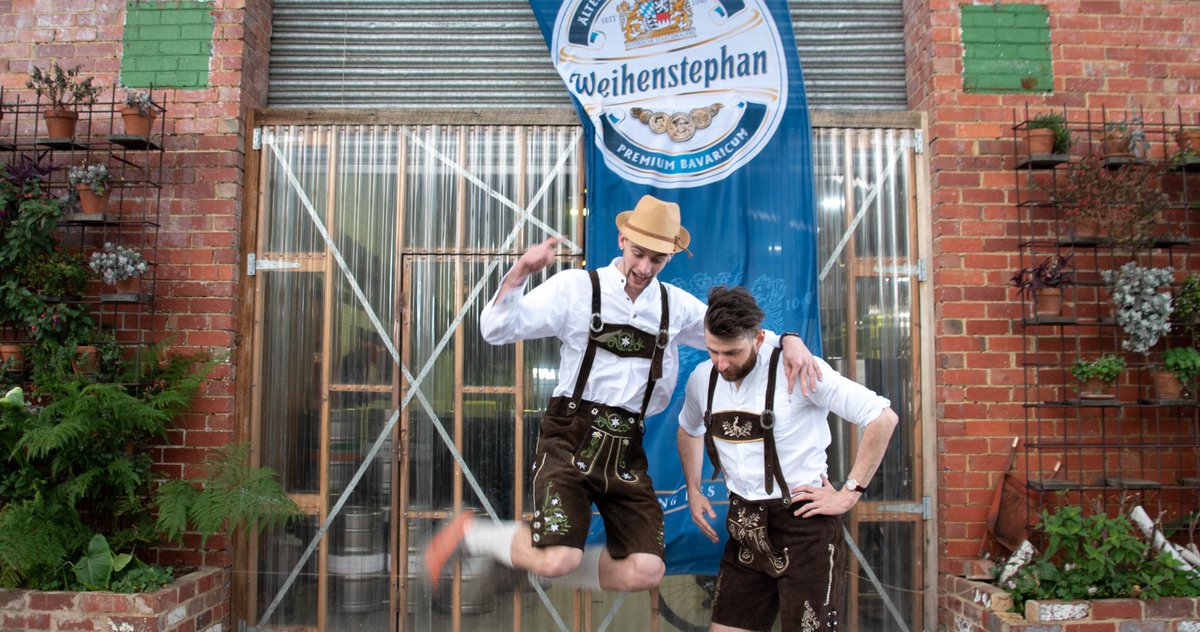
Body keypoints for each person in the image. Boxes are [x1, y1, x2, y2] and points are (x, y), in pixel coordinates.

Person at [424, 195, 821, 594]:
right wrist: (520, 273)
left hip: (627, 446)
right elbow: (496, 330)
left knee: (646, 570)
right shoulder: (576, 289)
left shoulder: (675, 306)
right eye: (639, 254)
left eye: (657, 260)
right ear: (621, 240)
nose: (645, 268)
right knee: (562, 557)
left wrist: (790, 340)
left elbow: (736, 335)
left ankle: (532, 564)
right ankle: (471, 534)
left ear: (670, 258)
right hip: (569, 437)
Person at [677, 286, 898, 632]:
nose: (721, 363)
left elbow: (882, 417)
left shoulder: (799, 370)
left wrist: (849, 492)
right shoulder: (702, 379)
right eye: (712, 351)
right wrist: (692, 488)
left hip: (803, 529)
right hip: (744, 529)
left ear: (760, 339)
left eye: (732, 353)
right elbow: (688, 429)